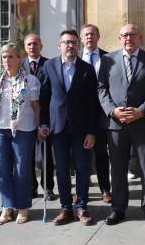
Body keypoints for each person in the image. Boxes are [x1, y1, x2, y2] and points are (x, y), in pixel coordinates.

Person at [98, 23, 145, 226]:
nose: (128, 38)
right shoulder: (108, 60)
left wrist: (140, 111)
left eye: (132, 35)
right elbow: (101, 88)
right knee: (117, 168)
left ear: (140, 38)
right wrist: (113, 110)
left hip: (142, 123)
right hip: (116, 124)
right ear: (119, 38)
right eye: (124, 35)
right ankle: (118, 208)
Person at [40, 30, 100, 226]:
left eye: (74, 42)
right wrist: (43, 123)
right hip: (57, 128)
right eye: (66, 42)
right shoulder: (49, 66)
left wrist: (92, 131)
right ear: (59, 45)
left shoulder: (87, 69)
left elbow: (93, 103)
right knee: (62, 169)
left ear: (79, 45)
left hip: (81, 128)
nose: (70, 46)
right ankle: (66, 207)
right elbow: (44, 97)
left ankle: (82, 206)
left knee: (82, 169)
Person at [0, 43, 42, 225]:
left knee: (22, 170)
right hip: (1, 130)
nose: (7, 61)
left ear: (19, 59)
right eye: (4, 57)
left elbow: (36, 107)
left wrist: (40, 128)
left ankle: (23, 208)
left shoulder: (30, 81)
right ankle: (7, 207)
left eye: (10, 57)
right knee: (2, 170)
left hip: (24, 129)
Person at [81, 23, 112, 203]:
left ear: (98, 37)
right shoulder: (74, 58)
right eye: (86, 35)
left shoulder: (108, 58)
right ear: (81, 38)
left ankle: (105, 189)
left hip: (101, 113)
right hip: (81, 115)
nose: (89, 38)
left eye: (92, 34)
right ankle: (82, 189)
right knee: (81, 155)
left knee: (101, 153)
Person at [21, 33, 55, 198]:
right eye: (29, 44)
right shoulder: (19, 65)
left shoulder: (50, 64)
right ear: (25, 47)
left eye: (35, 44)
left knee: (46, 153)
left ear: (41, 46)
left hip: (45, 113)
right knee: (27, 153)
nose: (32, 47)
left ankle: (48, 187)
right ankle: (31, 187)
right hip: (26, 115)